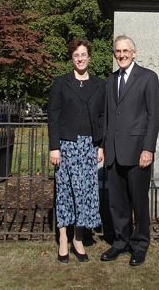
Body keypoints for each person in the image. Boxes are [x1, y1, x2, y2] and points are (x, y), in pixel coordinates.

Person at [99, 36, 159, 266]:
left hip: (137, 152)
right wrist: (103, 146)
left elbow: (153, 117)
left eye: (125, 51)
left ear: (134, 53)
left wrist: (148, 148)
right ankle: (120, 242)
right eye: (118, 51)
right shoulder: (110, 80)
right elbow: (107, 115)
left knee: (138, 201)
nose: (121, 55)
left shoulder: (148, 78)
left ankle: (140, 244)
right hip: (114, 151)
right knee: (117, 202)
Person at [48, 38, 105, 263]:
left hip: (89, 145)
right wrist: (54, 147)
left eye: (83, 55)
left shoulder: (99, 84)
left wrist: (101, 145)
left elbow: (103, 116)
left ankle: (78, 238)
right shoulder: (61, 83)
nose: (80, 59)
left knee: (84, 193)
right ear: (71, 59)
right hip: (66, 145)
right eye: (76, 56)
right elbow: (53, 117)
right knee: (65, 192)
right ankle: (63, 237)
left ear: (89, 57)